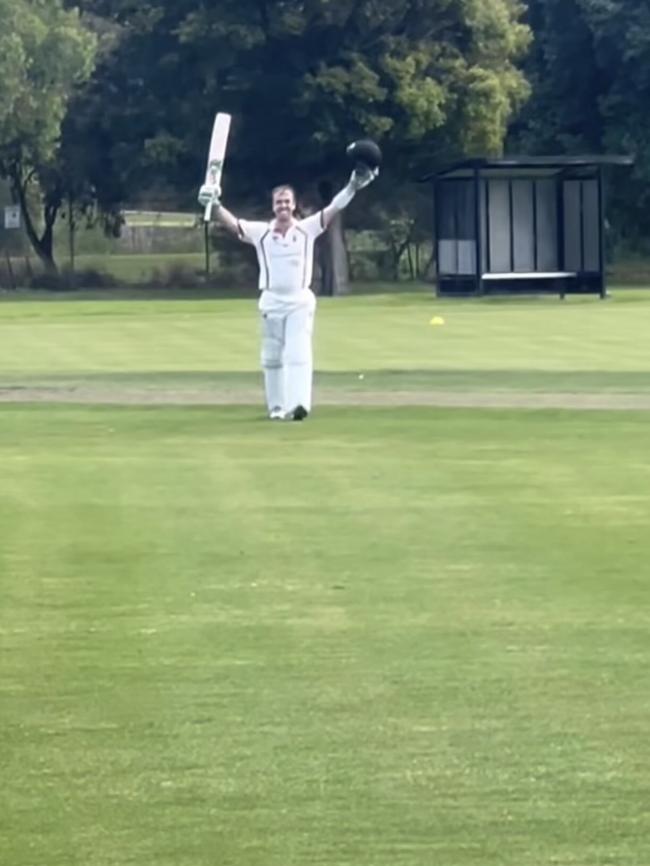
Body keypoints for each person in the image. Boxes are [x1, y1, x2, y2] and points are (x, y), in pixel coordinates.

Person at [198, 164, 377, 420]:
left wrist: (351, 187)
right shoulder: (262, 233)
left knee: (298, 351)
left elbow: (334, 208)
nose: (283, 206)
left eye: (287, 202)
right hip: (271, 301)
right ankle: (277, 408)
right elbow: (234, 225)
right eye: (279, 202)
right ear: (273, 206)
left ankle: (298, 405)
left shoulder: (307, 229)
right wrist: (214, 204)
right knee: (271, 358)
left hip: (299, 301)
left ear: (294, 205)